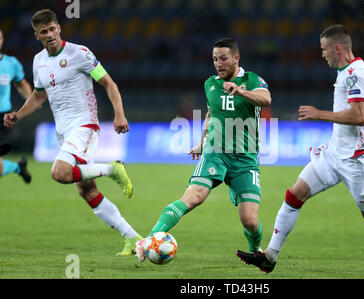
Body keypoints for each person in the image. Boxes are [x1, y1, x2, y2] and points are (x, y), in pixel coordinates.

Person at [236, 24, 364, 273]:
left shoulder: (356, 74)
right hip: (334, 153)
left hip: (356, 160)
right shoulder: (354, 70)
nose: (322, 54)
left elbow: (359, 116)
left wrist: (320, 114)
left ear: (337, 48)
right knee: (294, 195)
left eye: (324, 49)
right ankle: (269, 256)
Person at [3, 9, 143, 255]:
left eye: (52, 29)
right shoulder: (39, 61)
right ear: (36, 36)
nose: (49, 35)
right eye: (43, 32)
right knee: (86, 190)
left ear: (59, 29)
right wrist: (18, 114)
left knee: (59, 172)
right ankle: (134, 239)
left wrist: (119, 114)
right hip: (63, 133)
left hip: (84, 125)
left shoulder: (80, 53)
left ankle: (113, 169)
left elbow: (108, 83)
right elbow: (38, 96)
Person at [135, 37, 272, 262]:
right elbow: (212, 114)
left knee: (250, 220)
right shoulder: (210, 84)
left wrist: (240, 92)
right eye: (215, 59)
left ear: (236, 58)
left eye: (224, 59)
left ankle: (256, 251)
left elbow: (266, 99)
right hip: (215, 152)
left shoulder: (252, 79)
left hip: (245, 159)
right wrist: (201, 141)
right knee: (194, 196)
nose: (219, 63)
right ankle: (147, 240)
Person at [0, 28, 32, 183]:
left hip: (2, 119)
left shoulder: (11, 64)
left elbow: (21, 84)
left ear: (2, 40)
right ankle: (19, 167)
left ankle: (18, 167)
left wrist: (31, 101)